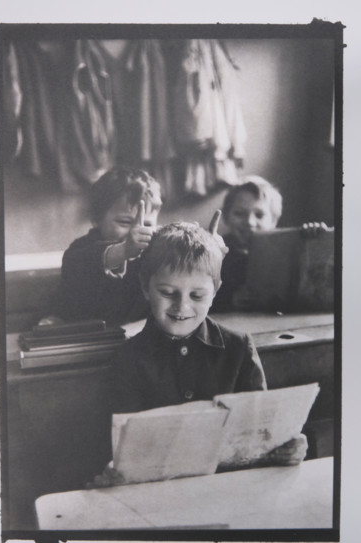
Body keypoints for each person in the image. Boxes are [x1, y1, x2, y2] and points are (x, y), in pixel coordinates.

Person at [88, 219, 307, 488]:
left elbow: (261, 433)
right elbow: (116, 449)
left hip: (229, 490)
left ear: (215, 292)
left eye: (197, 296)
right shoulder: (128, 359)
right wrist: (112, 473)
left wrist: (285, 449)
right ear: (145, 287)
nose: (182, 307)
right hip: (155, 497)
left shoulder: (238, 348)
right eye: (168, 292)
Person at [51, 166, 162, 326]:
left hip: (135, 338)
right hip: (85, 336)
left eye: (147, 224)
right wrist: (124, 250)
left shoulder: (156, 250)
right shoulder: (81, 250)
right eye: (125, 222)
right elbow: (82, 263)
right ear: (97, 219)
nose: (135, 231)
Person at [212, 175, 329, 312]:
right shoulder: (214, 251)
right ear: (226, 217)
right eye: (239, 213)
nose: (250, 222)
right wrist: (230, 299)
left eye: (259, 215)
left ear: (274, 221)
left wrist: (315, 238)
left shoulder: (285, 247)